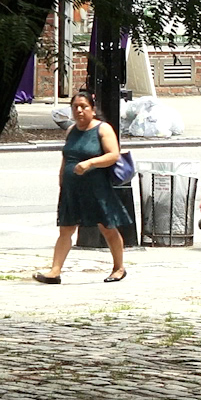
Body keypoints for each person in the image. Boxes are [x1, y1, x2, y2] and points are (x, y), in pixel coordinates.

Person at [34, 89, 128, 284]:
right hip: (72, 190)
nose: (79, 110)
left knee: (108, 228)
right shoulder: (71, 130)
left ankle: (119, 268)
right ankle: (55, 271)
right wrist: (62, 179)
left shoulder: (103, 129)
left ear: (92, 110)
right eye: (75, 107)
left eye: (84, 107)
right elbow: (66, 156)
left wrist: (90, 163)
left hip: (97, 189)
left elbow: (113, 155)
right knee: (66, 229)